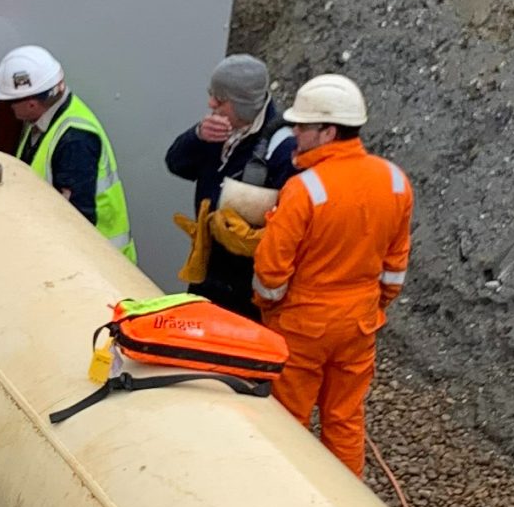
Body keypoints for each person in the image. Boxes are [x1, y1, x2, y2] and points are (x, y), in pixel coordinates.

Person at [251, 73, 412, 477]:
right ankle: (345, 502)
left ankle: (288, 493)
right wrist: (371, 306)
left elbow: (270, 274)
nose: (295, 134)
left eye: (303, 127)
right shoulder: (395, 181)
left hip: (303, 325)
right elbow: (395, 266)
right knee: (344, 418)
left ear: (328, 132)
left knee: (288, 420)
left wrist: (271, 311)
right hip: (359, 323)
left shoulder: (304, 189)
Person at [164, 54, 297, 318]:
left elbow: (292, 224)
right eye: (211, 95)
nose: (211, 104)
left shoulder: (284, 148)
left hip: (246, 287)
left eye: (220, 99)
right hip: (209, 268)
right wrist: (197, 137)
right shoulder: (218, 129)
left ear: (245, 105)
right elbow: (177, 165)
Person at [0, 44, 134, 262]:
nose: (9, 107)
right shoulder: (43, 121)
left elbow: (76, 221)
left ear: (31, 104)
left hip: (97, 264)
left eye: (11, 101)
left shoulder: (75, 140)